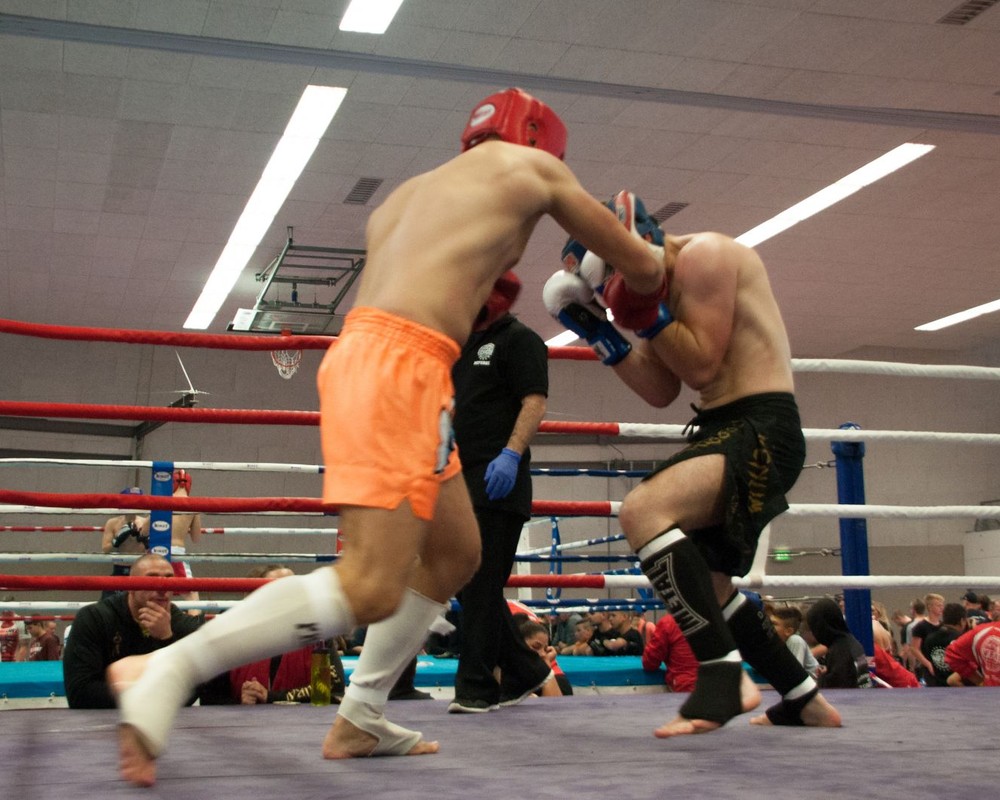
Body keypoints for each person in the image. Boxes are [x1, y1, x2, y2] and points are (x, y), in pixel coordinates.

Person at [109, 86, 665, 786]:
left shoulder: (404, 198)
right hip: (401, 368)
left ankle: (362, 714)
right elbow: (645, 270)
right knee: (371, 586)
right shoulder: (537, 170)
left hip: (390, 362)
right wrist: (611, 278)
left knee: (457, 552)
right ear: (540, 141)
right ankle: (168, 668)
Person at [543, 190, 841, 736]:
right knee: (710, 583)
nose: (615, 294)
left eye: (614, 281)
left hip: (761, 425)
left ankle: (723, 677)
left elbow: (701, 365)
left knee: (642, 510)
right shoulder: (654, 291)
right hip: (724, 428)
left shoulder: (707, 255)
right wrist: (602, 334)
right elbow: (661, 390)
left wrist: (645, 317)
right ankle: (803, 698)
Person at [448, 272, 554, 713]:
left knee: (481, 582)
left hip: (498, 479)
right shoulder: (462, 344)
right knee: (467, 582)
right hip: (460, 475)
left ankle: (476, 688)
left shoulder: (520, 340)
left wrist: (511, 453)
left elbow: (534, 400)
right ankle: (525, 670)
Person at [63, 553, 203, 709]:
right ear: (131, 586)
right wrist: (155, 692)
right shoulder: (95, 618)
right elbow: (79, 694)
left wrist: (165, 640)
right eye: (152, 579)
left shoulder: (180, 623)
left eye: (169, 579)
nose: (162, 588)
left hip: (160, 720)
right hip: (102, 720)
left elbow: (191, 691)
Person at [198, 566, 347, 705]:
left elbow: (333, 689)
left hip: (303, 722)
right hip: (246, 721)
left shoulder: (316, 633)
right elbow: (210, 698)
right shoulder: (232, 634)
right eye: (280, 593)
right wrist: (241, 702)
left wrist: (270, 697)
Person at [805, 598, 872, 690]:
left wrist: (822, 679)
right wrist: (829, 672)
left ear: (822, 626)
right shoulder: (850, 641)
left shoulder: (839, 651)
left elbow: (837, 688)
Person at [100, 487, 150, 600]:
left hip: (140, 570)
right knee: (109, 606)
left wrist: (145, 540)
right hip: (119, 569)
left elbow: (156, 550)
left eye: (137, 501)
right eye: (131, 501)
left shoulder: (146, 522)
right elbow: (105, 549)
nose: (134, 504)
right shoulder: (113, 523)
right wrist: (117, 540)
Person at [168, 470, 203, 610]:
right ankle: (196, 623)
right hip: (176, 552)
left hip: (155, 551)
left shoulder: (161, 500)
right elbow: (196, 538)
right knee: (192, 595)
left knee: (153, 592)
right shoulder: (193, 505)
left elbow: (145, 530)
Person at [641, 612, 699, 692]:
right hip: (713, 685)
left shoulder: (669, 622)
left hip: (685, 688)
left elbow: (649, 661)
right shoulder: (713, 620)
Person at [518, 619, 572, 695]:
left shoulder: (559, 680)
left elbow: (555, 702)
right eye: (536, 647)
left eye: (545, 649)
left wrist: (546, 668)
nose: (543, 654)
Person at [920, 602, 966, 687]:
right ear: (962, 621)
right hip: (957, 687)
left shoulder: (930, 638)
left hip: (936, 687)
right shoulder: (962, 639)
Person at [944, 617, 1000, 686]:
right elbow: (952, 653)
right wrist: (979, 681)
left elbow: (952, 653)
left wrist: (979, 681)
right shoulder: (983, 632)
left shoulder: (982, 632)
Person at [769, 606, 819, 680]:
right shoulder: (777, 644)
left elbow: (793, 673)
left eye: (774, 624)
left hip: (815, 684)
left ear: (788, 631)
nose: (769, 626)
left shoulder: (795, 640)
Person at [909, 593, 944, 685]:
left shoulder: (943, 626)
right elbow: (914, 648)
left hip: (942, 664)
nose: (941, 608)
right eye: (938, 605)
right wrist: (927, 664)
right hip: (929, 664)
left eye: (942, 605)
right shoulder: (920, 627)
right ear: (930, 607)